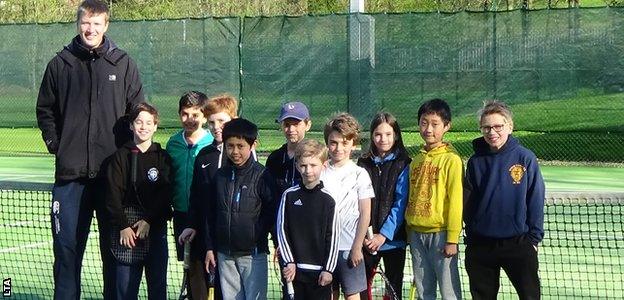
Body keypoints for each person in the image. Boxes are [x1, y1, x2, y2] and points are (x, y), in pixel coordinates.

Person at [35, 0, 144, 298]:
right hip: (70, 180)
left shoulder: (123, 64)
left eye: (97, 24)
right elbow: (45, 111)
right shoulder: (60, 64)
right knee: (67, 256)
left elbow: (137, 113)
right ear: (78, 23)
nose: (90, 29)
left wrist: (126, 159)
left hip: (112, 179)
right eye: (86, 23)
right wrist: (56, 145)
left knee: (114, 256)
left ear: (106, 25)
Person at [464, 100, 545, 300]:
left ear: (509, 126)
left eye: (498, 126)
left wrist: (533, 239)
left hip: (518, 244)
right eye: (486, 127)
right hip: (481, 246)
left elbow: (535, 198)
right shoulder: (475, 162)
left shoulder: (525, 158)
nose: (492, 132)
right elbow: (469, 201)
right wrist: (472, 234)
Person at [193, 118, 277, 300]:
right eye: (230, 146)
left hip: (253, 256)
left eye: (240, 146)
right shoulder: (220, 176)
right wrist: (209, 247)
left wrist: (257, 236)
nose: (235, 151)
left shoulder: (262, 176)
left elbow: (272, 213)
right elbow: (210, 214)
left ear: (252, 145)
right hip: (224, 256)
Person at [104, 102, 172, 300]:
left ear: (155, 126)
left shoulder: (163, 158)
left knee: (158, 289)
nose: (144, 127)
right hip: (128, 234)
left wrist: (149, 220)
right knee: (125, 291)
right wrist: (124, 226)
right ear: (132, 126)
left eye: (149, 122)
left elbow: (166, 193)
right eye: (139, 122)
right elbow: (112, 195)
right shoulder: (119, 158)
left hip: (155, 230)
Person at [178, 94, 239, 299]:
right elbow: (196, 196)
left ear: (233, 120)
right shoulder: (204, 155)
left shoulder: (242, 156)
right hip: (202, 237)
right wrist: (191, 224)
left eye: (221, 121)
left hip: (228, 240)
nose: (216, 127)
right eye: (212, 122)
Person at [404, 99, 463, 300]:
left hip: (441, 235)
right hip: (416, 235)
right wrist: (409, 231)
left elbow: (456, 201)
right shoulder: (416, 161)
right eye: (424, 122)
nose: (428, 129)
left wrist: (452, 239)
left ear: (446, 126)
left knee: (449, 291)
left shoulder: (452, 160)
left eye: (435, 124)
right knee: (423, 291)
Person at [357, 112, 411, 300]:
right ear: (372, 136)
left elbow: (400, 203)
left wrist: (384, 235)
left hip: (393, 241)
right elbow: (358, 202)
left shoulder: (404, 163)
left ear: (396, 135)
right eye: (378, 134)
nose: (383, 139)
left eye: (388, 134)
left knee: (393, 290)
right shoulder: (362, 163)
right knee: (362, 288)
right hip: (366, 241)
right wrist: (365, 236)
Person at [277, 139, 340, 300]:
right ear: (297, 165)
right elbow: (282, 231)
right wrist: (289, 261)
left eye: (313, 165)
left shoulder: (328, 200)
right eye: (303, 165)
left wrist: (328, 269)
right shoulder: (289, 195)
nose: (308, 170)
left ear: (323, 165)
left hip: (320, 275)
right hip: (295, 272)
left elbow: (333, 237)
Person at [321, 113, 374, 300]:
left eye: (345, 143)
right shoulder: (319, 171)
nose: (338, 148)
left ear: (353, 143)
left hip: (349, 248)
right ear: (327, 142)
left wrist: (357, 247)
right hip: (325, 249)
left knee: (353, 296)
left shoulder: (360, 174)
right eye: (333, 142)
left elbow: (365, 213)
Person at [266, 101, 313, 195]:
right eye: (287, 124)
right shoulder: (275, 158)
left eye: (296, 124)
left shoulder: (314, 157)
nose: (291, 130)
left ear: (307, 125)